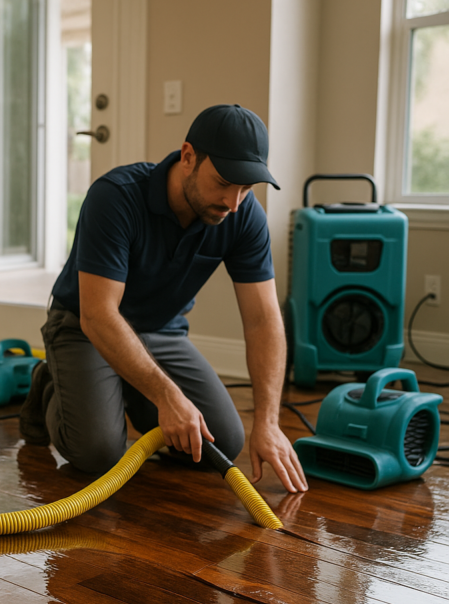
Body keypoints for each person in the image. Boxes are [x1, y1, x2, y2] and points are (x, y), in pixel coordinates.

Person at [20, 104, 309, 495]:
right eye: (224, 182)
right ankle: (50, 386)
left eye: (246, 188)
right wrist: (168, 395)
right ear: (188, 157)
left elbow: (263, 320)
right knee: (98, 452)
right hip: (85, 328)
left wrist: (268, 422)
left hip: (160, 332)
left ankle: (121, 390)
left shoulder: (241, 215)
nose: (234, 202)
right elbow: (98, 315)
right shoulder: (115, 197)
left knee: (221, 441)